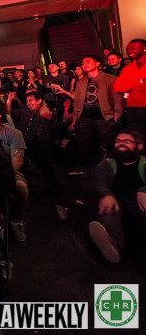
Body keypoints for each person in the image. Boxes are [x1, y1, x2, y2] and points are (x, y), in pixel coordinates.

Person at [89, 129, 146, 264]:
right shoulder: (107, 164)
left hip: (140, 205)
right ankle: (115, 248)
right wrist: (107, 195)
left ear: (139, 146)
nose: (121, 144)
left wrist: (144, 191)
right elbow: (100, 183)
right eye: (118, 141)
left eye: (127, 141)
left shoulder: (144, 163)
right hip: (117, 204)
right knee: (106, 213)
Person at [70, 54, 123, 175]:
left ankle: (109, 168)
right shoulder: (80, 81)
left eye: (88, 62)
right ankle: (82, 168)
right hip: (84, 117)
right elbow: (77, 101)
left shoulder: (110, 79)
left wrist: (116, 115)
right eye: (83, 63)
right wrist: (74, 119)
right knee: (83, 143)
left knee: (107, 143)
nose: (84, 65)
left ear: (97, 64)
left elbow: (118, 99)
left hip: (105, 116)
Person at [114, 39, 146, 137]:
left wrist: (129, 85)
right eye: (127, 49)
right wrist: (140, 82)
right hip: (132, 110)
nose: (129, 51)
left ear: (144, 49)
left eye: (133, 48)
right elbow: (117, 87)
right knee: (137, 139)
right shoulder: (127, 69)